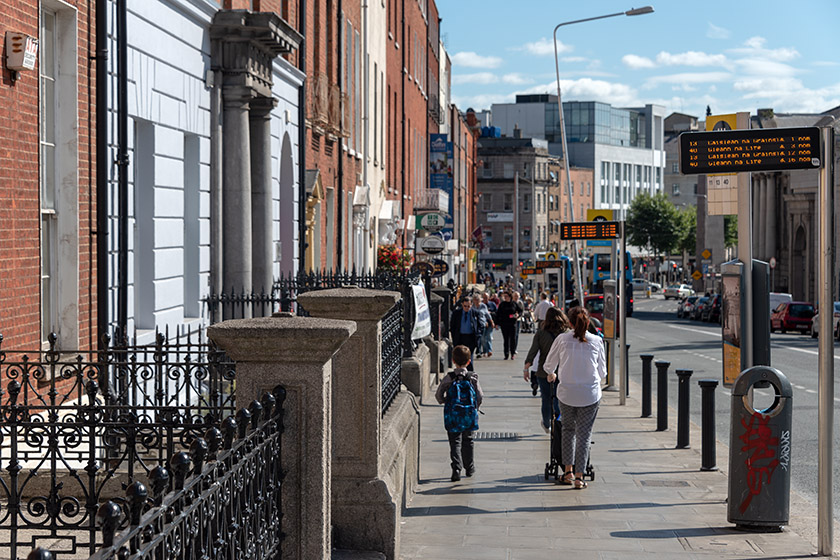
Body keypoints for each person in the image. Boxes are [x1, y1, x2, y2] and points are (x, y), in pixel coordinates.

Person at [543, 306, 606, 489]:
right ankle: (580, 477)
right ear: (588, 322)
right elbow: (602, 372)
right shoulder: (596, 341)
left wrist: (552, 373)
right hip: (589, 394)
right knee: (584, 435)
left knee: (568, 432)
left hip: (567, 393)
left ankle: (568, 472)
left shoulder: (562, 339)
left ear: (569, 322)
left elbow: (549, 364)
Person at [435, 345, 484, 482]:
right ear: (469, 362)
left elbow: (438, 394)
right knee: (468, 440)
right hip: (468, 414)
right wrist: (475, 406)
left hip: (453, 415)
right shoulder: (472, 377)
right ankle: (469, 467)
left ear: (453, 360)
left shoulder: (449, 377)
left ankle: (456, 467)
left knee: (455, 441)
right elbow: (480, 395)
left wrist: (445, 401)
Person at [523, 307, 569, 433]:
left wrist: (526, 369)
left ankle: (547, 423)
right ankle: (559, 421)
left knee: (546, 399)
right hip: (563, 371)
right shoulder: (566, 333)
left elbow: (533, 351)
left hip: (544, 371)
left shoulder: (541, 333)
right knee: (560, 399)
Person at [449, 296, 480, 370]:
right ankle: (461, 371)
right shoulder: (456, 313)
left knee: (469, 357)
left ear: (471, 305)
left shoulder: (475, 313)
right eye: (465, 306)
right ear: (462, 304)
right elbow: (452, 326)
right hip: (460, 338)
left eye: (468, 306)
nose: (467, 308)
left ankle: (470, 373)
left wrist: (478, 334)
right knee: (460, 357)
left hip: (470, 338)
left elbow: (480, 325)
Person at [495, 291, 521, 359]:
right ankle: (506, 354)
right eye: (504, 296)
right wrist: (496, 323)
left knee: (513, 339)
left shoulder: (514, 304)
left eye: (506, 296)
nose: (505, 298)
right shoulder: (502, 304)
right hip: (504, 324)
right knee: (506, 339)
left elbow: (520, 310)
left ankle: (512, 353)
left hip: (512, 323)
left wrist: (518, 315)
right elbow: (498, 314)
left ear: (510, 297)